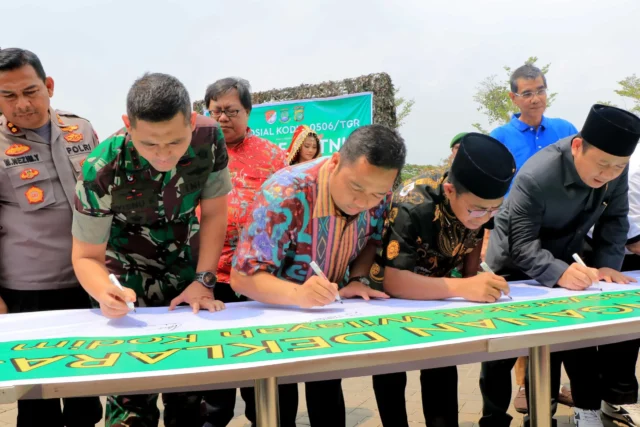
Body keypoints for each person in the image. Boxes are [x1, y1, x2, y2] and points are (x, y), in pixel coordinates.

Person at [71, 72, 232, 427]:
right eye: (149, 145)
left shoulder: (209, 139)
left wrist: (205, 280)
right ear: (128, 125)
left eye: (175, 142)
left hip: (186, 274)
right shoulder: (102, 168)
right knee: (130, 402)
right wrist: (104, 293)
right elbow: (85, 257)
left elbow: (215, 214)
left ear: (191, 121)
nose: (164, 155)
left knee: (190, 396)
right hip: (124, 279)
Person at [231, 124, 407, 426]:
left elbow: (373, 239)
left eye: (377, 193)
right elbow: (244, 275)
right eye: (355, 188)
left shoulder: (381, 193)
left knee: (327, 394)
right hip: (273, 316)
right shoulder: (284, 193)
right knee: (278, 404)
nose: (364, 202)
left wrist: (357, 278)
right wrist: (298, 295)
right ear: (335, 162)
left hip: (327, 311)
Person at [481, 104, 640, 427]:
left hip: (568, 255)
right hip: (514, 264)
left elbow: (615, 221)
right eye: (603, 165)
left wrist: (609, 265)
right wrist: (558, 272)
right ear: (578, 146)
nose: (608, 174)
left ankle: (575, 410)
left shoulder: (615, 173)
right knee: (503, 351)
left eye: (618, 167)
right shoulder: (537, 175)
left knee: (573, 337)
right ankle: (495, 418)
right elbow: (521, 245)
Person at [369, 133, 515, 427]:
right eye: (477, 209)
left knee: (442, 367)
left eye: (494, 209)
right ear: (450, 190)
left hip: (439, 293)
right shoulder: (412, 205)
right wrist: (465, 286)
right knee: (392, 371)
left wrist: (474, 278)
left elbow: (474, 236)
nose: (485, 217)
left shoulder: (477, 206)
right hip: (390, 302)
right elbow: (394, 281)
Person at [0, 48, 103, 427]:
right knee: (36, 401)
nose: (22, 104)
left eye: (30, 91)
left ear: (49, 86)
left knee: (85, 397)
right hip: (28, 292)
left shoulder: (83, 129)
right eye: (8, 96)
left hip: (87, 284)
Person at [195, 77, 288, 426]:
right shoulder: (194, 154)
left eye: (231, 111)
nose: (222, 118)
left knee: (263, 384)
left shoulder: (274, 157)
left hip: (259, 283)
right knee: (214, 385)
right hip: (209, 281)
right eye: (215, 110)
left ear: (249, 111)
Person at [490, 62, 580, 412]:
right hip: (515, 240)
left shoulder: (566, 130)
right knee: (514, 320)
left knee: (564, 317)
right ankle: (515, 393)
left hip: (560, 240)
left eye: (540, 90)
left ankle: (561, 388)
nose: (535, 98)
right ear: (514, 97)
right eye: (526, 93)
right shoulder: (500, 137)